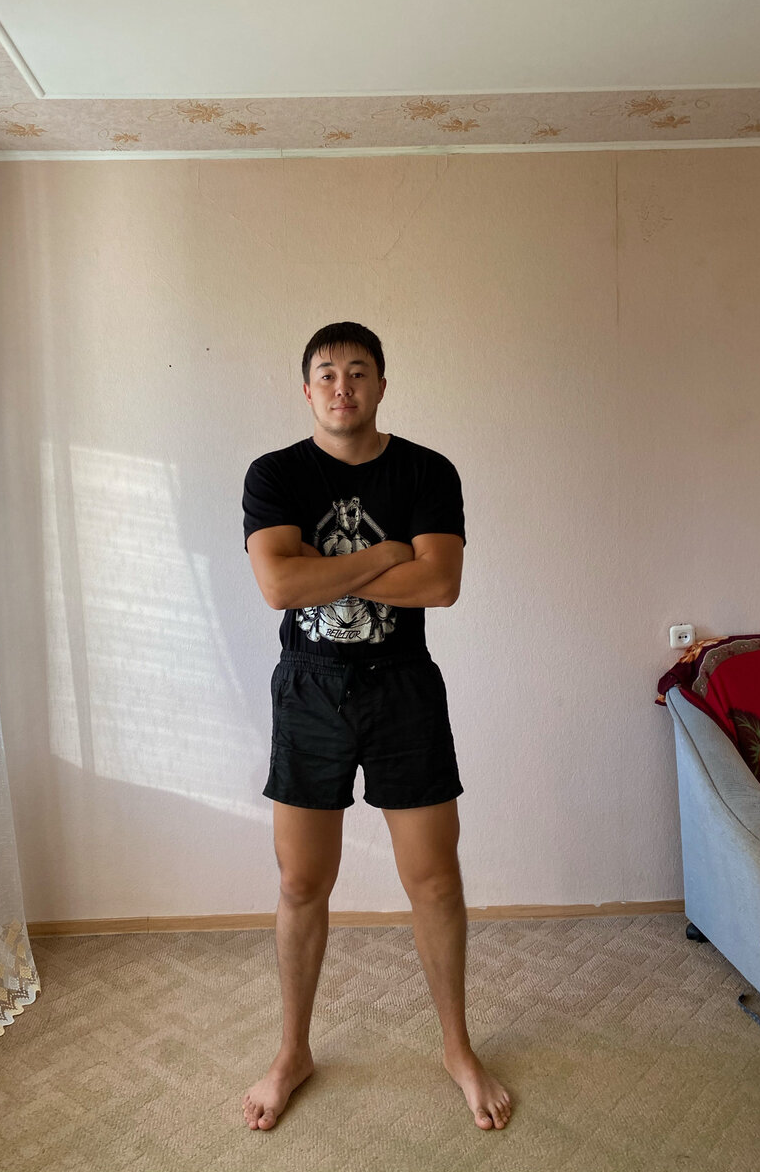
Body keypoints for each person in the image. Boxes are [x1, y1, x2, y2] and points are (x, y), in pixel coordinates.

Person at [240, 321, 512, 1132]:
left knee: (435, 880)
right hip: (309, 689)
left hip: (403, 688)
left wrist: (323, 570)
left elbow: (442, 585)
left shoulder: (427, 471)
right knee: (300, 883)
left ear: (382, 385)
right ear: (306, 390)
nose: (342, 386)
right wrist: (388, 554)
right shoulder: (275, 474)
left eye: (358, 372)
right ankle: (292, 1052)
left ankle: (457, 1049)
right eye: (326, 373)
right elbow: (278, 587)